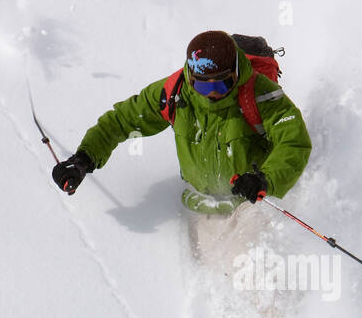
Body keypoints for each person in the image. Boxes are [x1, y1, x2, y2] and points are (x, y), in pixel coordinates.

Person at [52, 30, 312, 216]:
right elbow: (122, 120)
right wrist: (84, 159)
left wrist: (264, 180)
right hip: (199, 206)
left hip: (252, 204)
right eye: (201, 84)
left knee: (251, 272)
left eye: (221, 84)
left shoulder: (260, 93)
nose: (211, 93)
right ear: (190, 75)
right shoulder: (174, 92)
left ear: (235, 71)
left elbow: (294, 141)